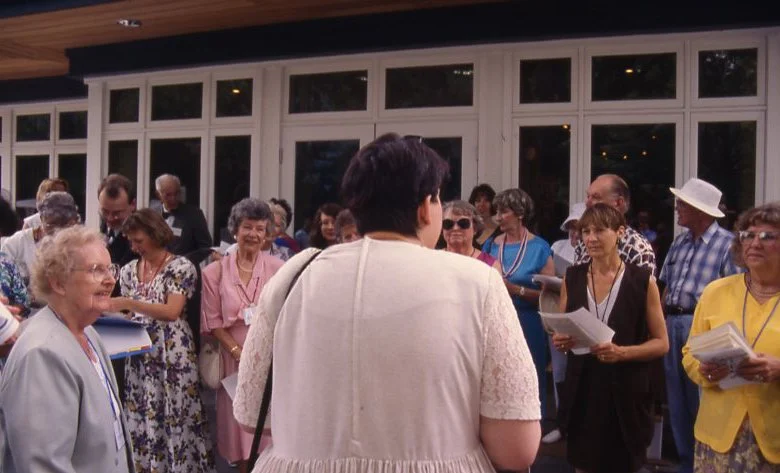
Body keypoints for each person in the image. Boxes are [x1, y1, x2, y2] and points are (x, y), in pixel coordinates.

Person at [235, 133, 541, 473]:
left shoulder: (294, 274)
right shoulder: (476, 281)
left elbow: (251, 414)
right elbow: (517, 448)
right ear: (425, 207)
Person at [0, 226, 134, 473]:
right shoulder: (42, 354)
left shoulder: (88, 332)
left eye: (110, 268)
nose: (110, 279)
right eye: (96, 270)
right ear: (59, 283)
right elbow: (43, 465)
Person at [553, 203, 668, 473]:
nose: (591, 238)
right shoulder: (573, 277)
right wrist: (561, 341)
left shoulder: (642, 281)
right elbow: (562, 328)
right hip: (583, 388)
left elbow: (662, 343)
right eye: (586, 231)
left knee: (623, 463)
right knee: (583, 463)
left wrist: (622, 353)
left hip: (626, 390)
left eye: (600, 230)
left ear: (620, 232)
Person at [110, 209, 215, 473]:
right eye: (131, 241)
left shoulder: (181, 267)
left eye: (139, 241)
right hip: (139, 354)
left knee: (176, 414)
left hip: (172, 355)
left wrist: (128, 302)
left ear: (155, 235)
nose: (134, 247)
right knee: (144, 414)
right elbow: (129, 312)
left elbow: (171, 311)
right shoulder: (128, 270)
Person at [682, 203, 780, 472]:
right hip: (718, 434)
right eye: (748, 235)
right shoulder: (716, 291)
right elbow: (689, 354)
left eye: (767, 236)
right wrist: (704, 370)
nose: (755, 243)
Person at [659, 178, 741, 473]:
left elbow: (736, 293)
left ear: (700, 210)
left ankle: (705, 462)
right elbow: (666, 287)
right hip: (673, 322)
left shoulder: (728, 245)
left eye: (683, 204)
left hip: (705, 326)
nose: (677, 208)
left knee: (703, 395)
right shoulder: (678, 242)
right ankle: (686, 462)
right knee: (676, 399)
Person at [201, 198, 283, 473]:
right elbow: (213, 321)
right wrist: (239, 352)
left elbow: (285, 315)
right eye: (248, 227)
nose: (254, 234)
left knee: (270, 437)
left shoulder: (278, 268)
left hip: (269, 361)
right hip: (232, 362)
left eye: (260, 229)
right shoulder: (214, 272)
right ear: (235, 230)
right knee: (240, 438)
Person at [482, 188, 555, 417]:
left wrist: (516, 290)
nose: (498, 217)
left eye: (503, 212)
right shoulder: (491, 245)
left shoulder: (540, 247)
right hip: (497, 321)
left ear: (520, 213)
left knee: (530, 375)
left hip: (528, 320)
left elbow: (550, 297)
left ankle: (534, 425)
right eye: (496, 212)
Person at [542, 201, 585, 445]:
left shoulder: (593, 248)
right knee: (559, 370)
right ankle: (562, 423)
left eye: (579, 227)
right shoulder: (557, 246)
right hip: (559, 312)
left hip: (583, 315)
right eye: (571, 227)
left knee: (581, 370)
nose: (574, 233)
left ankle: (580, 424)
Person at [1, 191, 80, 303]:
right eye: (52, 225)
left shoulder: (79, 246)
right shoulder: (15, 244)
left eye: (65, 225)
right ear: (41, 219)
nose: (58, 231)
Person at [574, 174, 656, 274]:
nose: (587, 203)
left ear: (618, 203)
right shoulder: (583, 242)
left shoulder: (638, 247)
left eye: (596, 197)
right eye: (588, 196)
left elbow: (643, 284)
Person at [151, 173, 212, 264]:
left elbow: (205, 247)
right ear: (158, 194)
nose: (173, 199)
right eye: (168, 195)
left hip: (186, 269)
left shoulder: (194, 214)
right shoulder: (151, 214)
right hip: (157, 269)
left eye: (176, 193)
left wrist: (183, 262)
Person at [442, 200, 498, 268]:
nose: (455, 228)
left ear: (475, 228)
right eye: (448, 223)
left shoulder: (491, 265)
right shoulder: (433, 259)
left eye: (463, 223)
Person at [99, 173, 137, 271]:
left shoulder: (139, 236)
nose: (110, 218)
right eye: (105, 211)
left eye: (117, 213)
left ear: (133, 204)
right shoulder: (103, 227)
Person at [469, 183, 499, 247]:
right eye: (478, 201)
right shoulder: (467, 229)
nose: (482, 204)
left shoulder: (500, 231)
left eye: (486, 201)